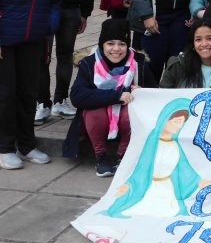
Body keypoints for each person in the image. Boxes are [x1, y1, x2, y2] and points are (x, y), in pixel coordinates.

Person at [0, 0, 60, 170]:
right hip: (5, 42)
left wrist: (50, 25)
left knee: (28, 94)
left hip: (34, 41)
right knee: (5, 95)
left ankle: (26, 145)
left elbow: (56, 2)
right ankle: (4, 147)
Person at [64, 18, 157, 177]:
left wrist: (143, 92)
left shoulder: (138, 62)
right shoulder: (89, 63)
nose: (116, 49)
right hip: (97, 121)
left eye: (122, 44)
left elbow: (156, 94)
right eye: (110, 43)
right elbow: (77, 97)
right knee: (95, 109)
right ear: (102, 45)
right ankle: (101, 157)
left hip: (126, 122)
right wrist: (117, 95)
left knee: (132, 109)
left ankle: (123, 156)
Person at [104, 98, 210, 218]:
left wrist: (198, 181)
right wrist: (129, 185)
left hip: (168, 190)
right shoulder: (153, 141)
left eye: (182, 122)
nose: (179, 126)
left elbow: (183, 165)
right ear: (165, 120)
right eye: (176, 121)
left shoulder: (176, 143)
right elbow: (142, 167)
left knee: (172, 213)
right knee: (140, 212)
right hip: (150, 189)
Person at [160, 18, 211, 88]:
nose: (204, 44)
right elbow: (163, 96)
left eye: (209, 38)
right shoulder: (177, 65)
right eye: (198, 40)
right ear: (193, 43)